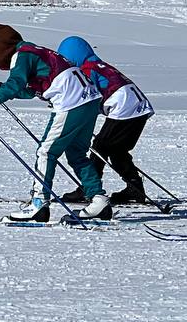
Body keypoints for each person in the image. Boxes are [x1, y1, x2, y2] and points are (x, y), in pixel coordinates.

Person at [0, 24, 110, 222]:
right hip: (89, 101)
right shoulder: (36, 52)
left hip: (71, 103)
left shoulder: (21, 56)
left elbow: (15, 86)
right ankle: (99, 201)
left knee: (46, 152)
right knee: (76, 154)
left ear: (2, 51)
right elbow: (30, 90)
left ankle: (39, 204)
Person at [56, 36, 155, 206]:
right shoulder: (100, 65)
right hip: (138, 106)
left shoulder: (87, 70)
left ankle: (90, 189)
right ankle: (134, 187)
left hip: (124, 107)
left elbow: (85, 99)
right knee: (116, 149)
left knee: (99, 148)